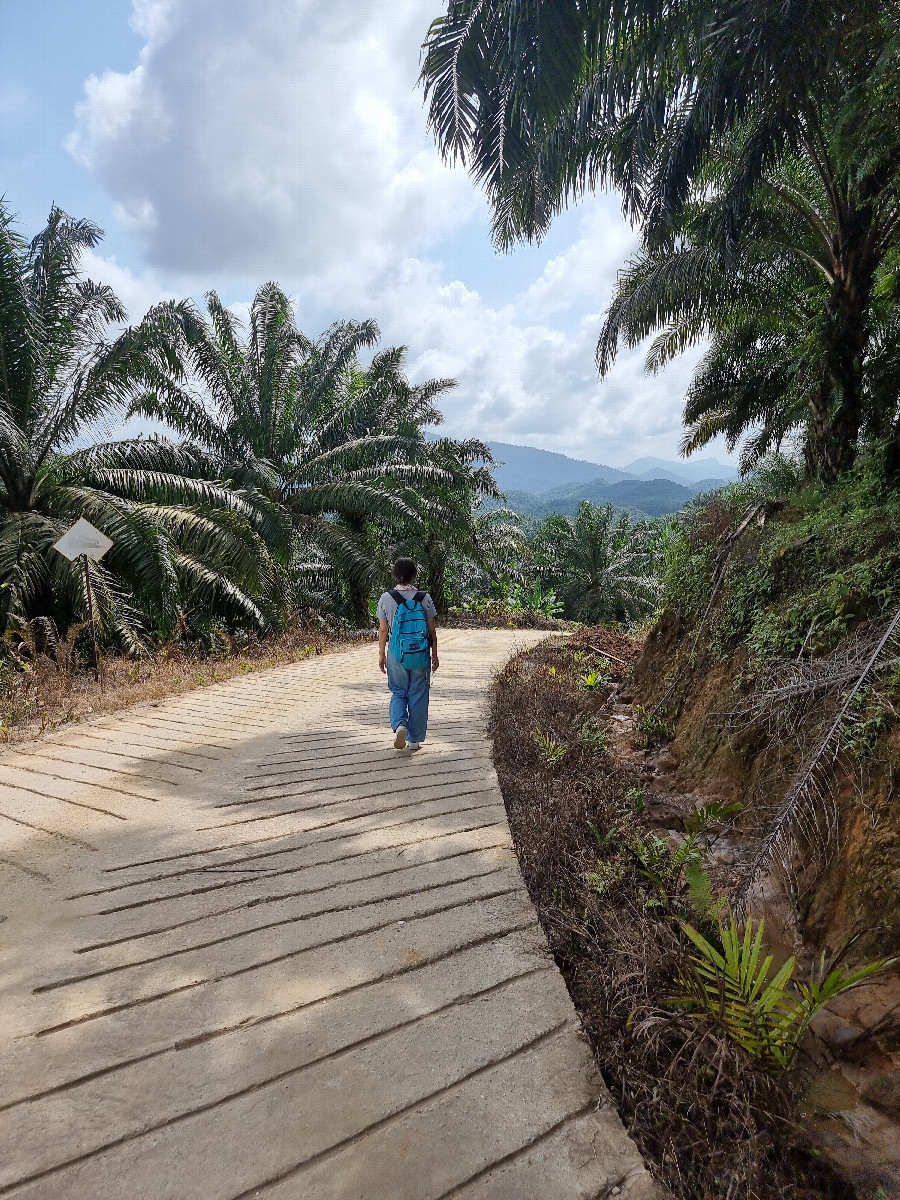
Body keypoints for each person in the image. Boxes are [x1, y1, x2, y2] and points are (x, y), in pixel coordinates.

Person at [377, 557, 439, 750]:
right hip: (420, 653)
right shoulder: (424, 597)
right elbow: (431, 630)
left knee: (398, 691)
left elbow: (383, 630)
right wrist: (434, 654)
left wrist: (381, 654)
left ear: (395, 575)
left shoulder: (386, 598)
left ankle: (400, 725)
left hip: (397, 652)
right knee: (418, 693)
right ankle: (415, 741)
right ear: (413, 575)